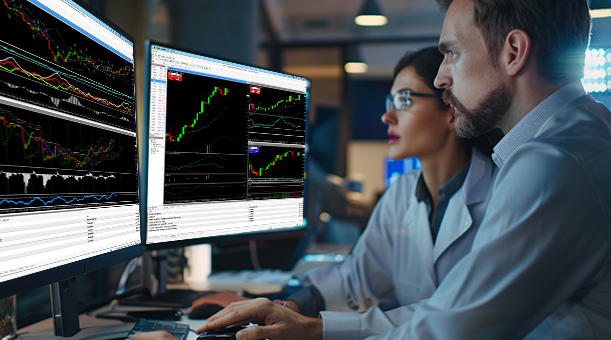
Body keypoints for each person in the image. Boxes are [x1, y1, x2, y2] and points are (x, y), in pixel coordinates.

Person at [198, 0, 611, 339]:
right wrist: (315, 326)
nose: (441, 75)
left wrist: (317, 332)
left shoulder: (554, 164)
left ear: (514, 52)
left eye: (452, 52)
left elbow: (451, 331)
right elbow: (449, 313)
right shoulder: (596, 141)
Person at [190, 47, 496, 337]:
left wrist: (312, 329)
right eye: (389, 103)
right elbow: (357, 279)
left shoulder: (500, 193)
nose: (387, 117)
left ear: (451, 111)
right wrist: (285, 306)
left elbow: (455, 315)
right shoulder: (402, 192)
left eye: (404, 100)